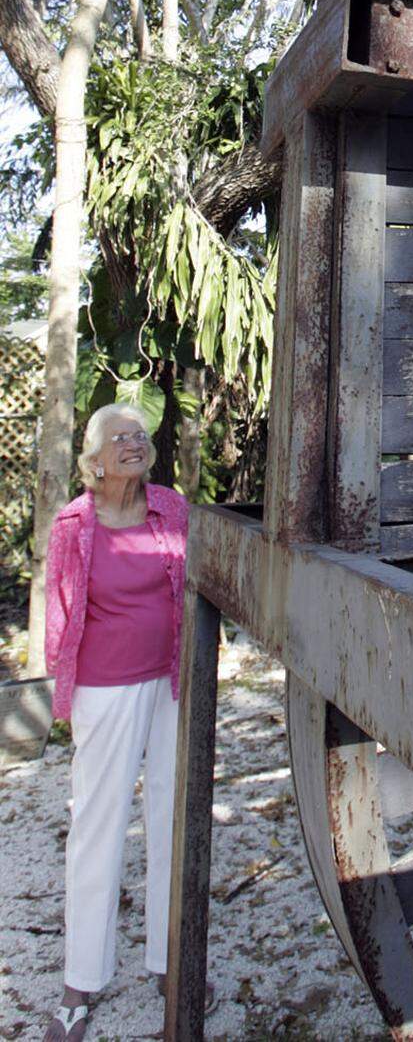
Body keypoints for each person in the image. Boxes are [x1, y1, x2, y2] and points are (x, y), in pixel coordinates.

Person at [42, 404, 189, 1042]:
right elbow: (59, 613)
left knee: (172, 823)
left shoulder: (173, 509)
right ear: (94, 460)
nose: (133, 443)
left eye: (140, 435)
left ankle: (169, 964)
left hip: (172, 684)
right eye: (118, 438)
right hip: (105, 690)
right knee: (98, 827)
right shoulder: (74, 524)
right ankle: (81, 983)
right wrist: (64, 692)